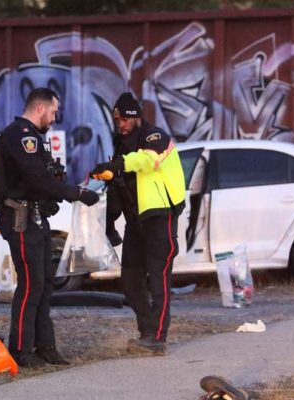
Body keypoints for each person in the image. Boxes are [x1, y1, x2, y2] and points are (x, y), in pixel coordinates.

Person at [0, 87, 99, 367]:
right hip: (21, 221)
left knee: (44, 284)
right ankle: (21, 350)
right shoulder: (20, 136)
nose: (55, 117)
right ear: (40, 108)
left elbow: (42, 181)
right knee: (30, 286)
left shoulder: (34, 139)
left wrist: (54, 193)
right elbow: (37, 180)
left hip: (36, 219)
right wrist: (75, 193)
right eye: (53, 111)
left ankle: (45, 347)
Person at [91, 92, 186, 355]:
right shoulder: (121, 145)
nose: (119, 124)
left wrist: (118, 164)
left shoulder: (155, 136)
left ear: (134, 116)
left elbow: (147, 160)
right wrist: (109, 223)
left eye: (123, 118)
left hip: (160, 217)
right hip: (136, 223)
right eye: (116, 119)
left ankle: (158, 338)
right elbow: (118, 188)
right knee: (131, 281)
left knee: (159, 280)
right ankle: (147, 332)